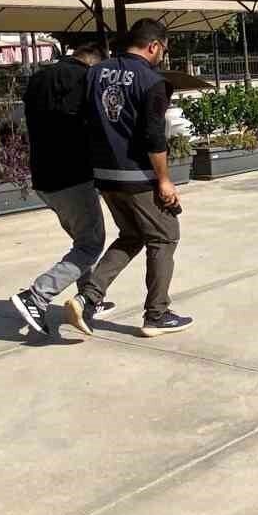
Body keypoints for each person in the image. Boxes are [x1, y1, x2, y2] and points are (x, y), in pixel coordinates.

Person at [64, 18, 193, 338]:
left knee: (133, 235)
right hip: (138, 175)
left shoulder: (94, 73)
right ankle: (157, 315)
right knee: (165, 236)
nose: (162, 56)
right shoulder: (152, 81)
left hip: (105, 175)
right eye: (164, 50)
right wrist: (164, 180)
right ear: (154, 46)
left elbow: (80, 120)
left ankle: (87, 299)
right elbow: (154, 137)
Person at [11, 40, 109, 338]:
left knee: (82, 240)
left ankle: (89, 299)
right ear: (95, 61)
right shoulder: (87, 79)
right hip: (73, 175)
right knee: (91, 244)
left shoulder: (39, 78)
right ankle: (37, 295)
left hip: (43, 177)